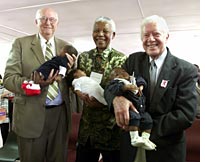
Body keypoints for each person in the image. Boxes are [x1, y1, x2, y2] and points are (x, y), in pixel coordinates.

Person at [104, 15, 198, 162]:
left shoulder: (186, 70)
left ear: (167, 36)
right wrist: (116, 99)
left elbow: (185, 114)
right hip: (131, 148)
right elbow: (110, 87)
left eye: (156, 34)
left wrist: (144, 128)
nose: (150, 39)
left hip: (165, 148)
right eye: (146, 35)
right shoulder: (132, 61)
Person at [3, 7, 76, 162]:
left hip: (59, 116)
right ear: (36, 22)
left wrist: (73, 71)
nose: (47, 22)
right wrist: (32, 83)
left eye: (52, 19)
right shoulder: (20, 44)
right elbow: (9, 79)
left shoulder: (66, 46)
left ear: (57, 23)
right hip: (30, 115)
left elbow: (70, 81)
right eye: (43, 18)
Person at [75, 16, 127, 162]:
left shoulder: (121, 59)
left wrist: (104, 103)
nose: (100, 34)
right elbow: (77, 82)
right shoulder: (84, 57)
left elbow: (123, 92)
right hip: (87, 129)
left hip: (110, 129)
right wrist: (79, 93)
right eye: (96, 30)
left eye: (105, 31)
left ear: (113, 35)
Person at [105, 67, 156, 150]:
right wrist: (126, 87)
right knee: (134, 118)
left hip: (142, 109)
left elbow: (140, 79)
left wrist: (141, 86)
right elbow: (112, 89)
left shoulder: (133, 79)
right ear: (117, 76)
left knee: (148, 120)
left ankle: (145, 138)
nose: (124, 73)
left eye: (124, 71)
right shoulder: (118, 82)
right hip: (131, 109)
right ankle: (134, 138)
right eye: (119, 73)